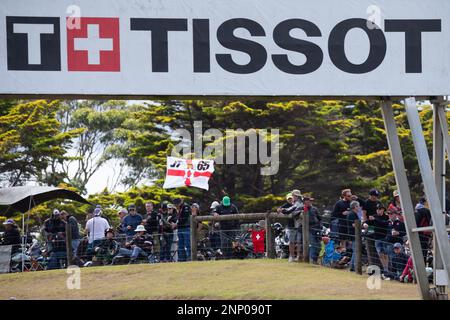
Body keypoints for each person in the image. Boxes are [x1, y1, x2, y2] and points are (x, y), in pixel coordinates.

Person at [278, 190, 303, 262]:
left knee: (297, 242)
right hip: (296, 225)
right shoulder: (298, 203)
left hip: (298, 225)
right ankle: (294, 256)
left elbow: (289, 210)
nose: (293, 197)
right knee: (294, 242)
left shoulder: (298, 203)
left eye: (293, 195)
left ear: (296, 196)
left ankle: (297, 257)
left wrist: (282, 210)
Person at [302, 197, 322, 264]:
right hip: (309, 230)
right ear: (304, 202)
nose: (310, 202)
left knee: (319, 245)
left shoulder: (315, 209)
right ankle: (312, 260)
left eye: (310, 201)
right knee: (313, 244)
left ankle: (315, 259)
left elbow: (319, 218)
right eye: (308, 201)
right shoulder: (302, 209)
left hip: (317, 229)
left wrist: (320, 226)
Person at [173, 198, 191, 262]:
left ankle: (189, 258)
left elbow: (184, 218)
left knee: (187, 244)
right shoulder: (178, 209)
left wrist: (176, 224)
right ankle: (182, 259)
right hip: (180, 228)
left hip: (186, 227)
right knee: (180, 245)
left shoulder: (185, 207)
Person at [347, 201, 361, 272]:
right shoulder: (352, 214)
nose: (359, 207)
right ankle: (354, 267)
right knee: (356, 250)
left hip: (354, 234)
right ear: (355, 207)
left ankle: (352, 267)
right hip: (354, 234)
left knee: (355, 251)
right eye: (358, 206)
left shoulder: (354, 214)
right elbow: (354, 225)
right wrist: (362, 227)